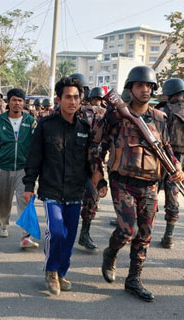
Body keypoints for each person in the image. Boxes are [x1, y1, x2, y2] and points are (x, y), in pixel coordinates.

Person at [89, 66, 184, 302]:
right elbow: (96, 148)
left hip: (151, 184)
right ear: (130, 88)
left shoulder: (160, 118)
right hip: (122, 182)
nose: (145, 89)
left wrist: (177, 167)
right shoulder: (114, 116)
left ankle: (134, 279)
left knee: (145, 233)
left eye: (149, 86)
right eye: (140, 85)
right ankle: (111, 252)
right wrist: (97, 176)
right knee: (127, 229)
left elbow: (167, 148)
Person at [22, 76, 91, 296]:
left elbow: (90, 162)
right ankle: (51, 270)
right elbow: (34, 157)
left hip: (75, 190)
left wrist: (96, 184)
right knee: (57, 231)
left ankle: (62, 272)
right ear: (59, 99)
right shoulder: (46, 126)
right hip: (51, 189)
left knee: (70, 236)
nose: (72, 101)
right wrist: (29, 185)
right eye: (68, 97)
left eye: (76, 97)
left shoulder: (85, 128)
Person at [0, 88, 39, 249]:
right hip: (4, 168)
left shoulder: (30, 122)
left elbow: (38, 145)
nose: (17, 103)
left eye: (20, 100)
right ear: (8, 102)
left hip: (24, 169)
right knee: (3, 201)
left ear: (24, 103)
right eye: (14, 100)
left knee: (25, 200)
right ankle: (3, 224)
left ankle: (25, 236)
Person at [155, 78, 184, 248]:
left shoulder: (161, 110)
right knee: (173, 196)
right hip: (180, 160)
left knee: (150, 194)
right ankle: (168, 236)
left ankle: (143, 230)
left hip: (159, 158)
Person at [78, 86, 108, 251]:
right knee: (91, 197)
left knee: (89, 196)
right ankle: (84, 232)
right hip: (93, 162)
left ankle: (83, 233)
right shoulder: (105, 113)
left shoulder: (80, 110)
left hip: (83, 161)